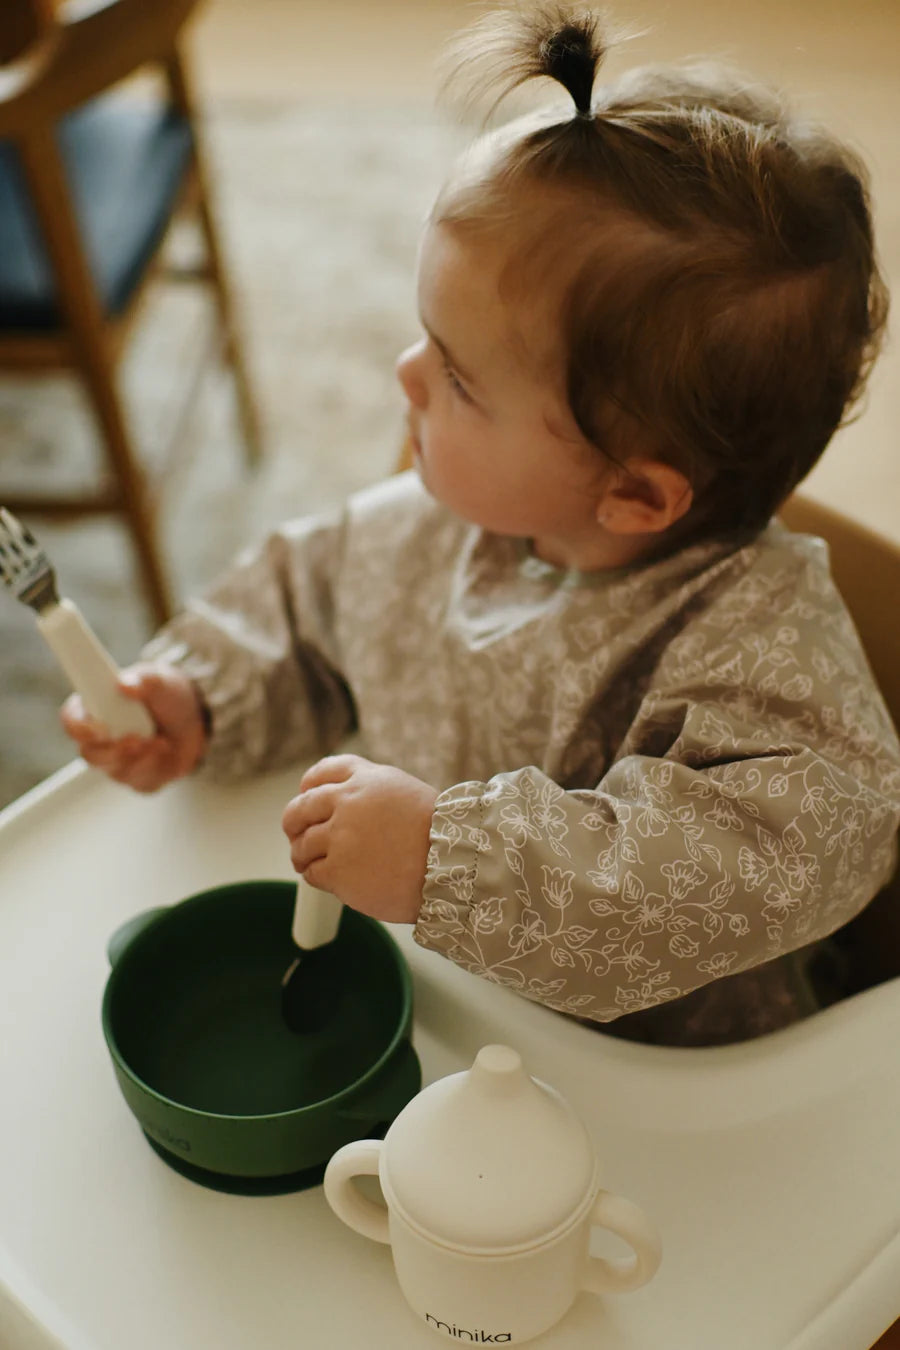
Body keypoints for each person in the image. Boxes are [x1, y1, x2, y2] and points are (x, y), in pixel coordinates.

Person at [62, 4, 900, 1045]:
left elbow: (785, 851)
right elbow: (302, 610)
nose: (405, 375)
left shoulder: (759, 645)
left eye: (458, 378)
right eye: (427, 339)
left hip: (649, 1064)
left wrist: (447, 860)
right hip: (443, 988)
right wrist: (200, 696)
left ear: (637, 495)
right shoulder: (435, 525)